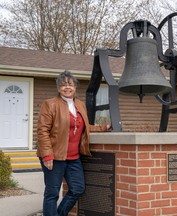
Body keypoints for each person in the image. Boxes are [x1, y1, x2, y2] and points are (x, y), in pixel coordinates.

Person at [37, 70, 109, 216]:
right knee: (52, 193)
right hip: (55, 156)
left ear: (75, 87)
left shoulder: (80, 105)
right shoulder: (50, 104)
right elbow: (42, 131)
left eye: (70, 85)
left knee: (77, 188)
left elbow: (85, 126)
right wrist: (47, 155)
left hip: (73, 157)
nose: (67, 87)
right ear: (58, 88)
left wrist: (103, 128)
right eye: (63, 85)